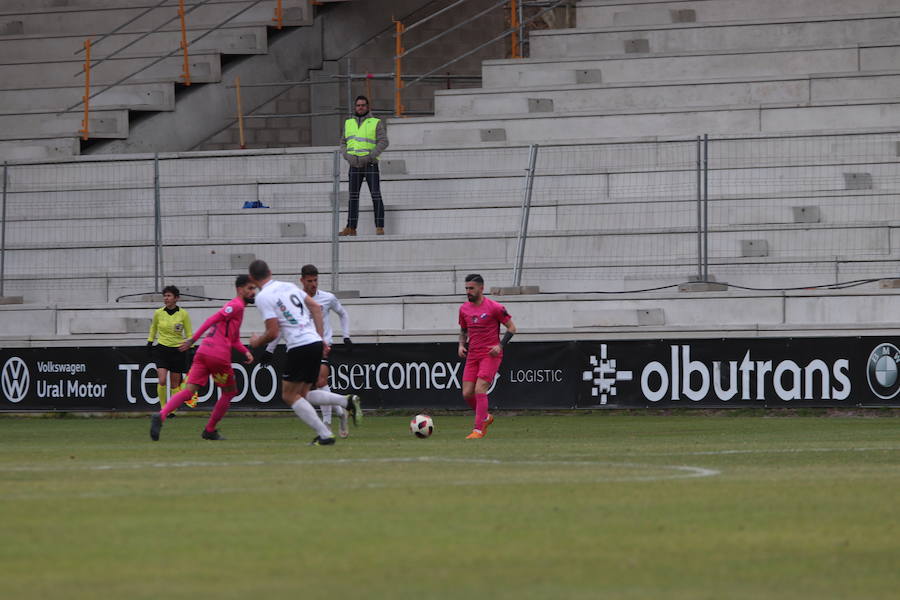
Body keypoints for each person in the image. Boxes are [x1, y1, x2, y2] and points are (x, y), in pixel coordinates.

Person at [247, 259, 362, 446]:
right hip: (315, 342)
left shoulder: (263, 296)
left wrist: (256, 342)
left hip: (298, 346)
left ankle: (325, 433)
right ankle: (345, 401)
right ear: (270, 271)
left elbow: (273, 331)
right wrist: (320, 338)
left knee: (289, 395)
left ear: (252, 278)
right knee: (304, 393)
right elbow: (316, 308)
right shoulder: (288, 286)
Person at [149, 275, 257, 442]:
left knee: (188, 391)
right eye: (250, 288)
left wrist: (245, 351)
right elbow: (211, 319)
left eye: (254, 289)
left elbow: (233, 338)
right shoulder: (235, 305)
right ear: (239, 289)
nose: (253, 292)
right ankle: (209, 430)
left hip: (204, 352)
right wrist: (192, 339)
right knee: (230, 392)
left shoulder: (238, 308)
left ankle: (161, 415)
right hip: (218, 355)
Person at [457, 274, 516, 439]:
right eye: (466, 288)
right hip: (472, 355)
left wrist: (500, 345)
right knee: (467, 394)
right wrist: (461, 345)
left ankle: (478, 429)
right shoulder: (464, 309)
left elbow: (511, 328)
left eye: (471, 288)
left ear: (481, 288)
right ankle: (485, 417)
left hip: (490, 354)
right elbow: (463, 330)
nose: (468, 291)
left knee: (479, 389)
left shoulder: (495, 307)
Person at [298, 264, 354, 437]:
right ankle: (340, 411)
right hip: (303, 347)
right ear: (302, 281)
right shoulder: (297, 299)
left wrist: (346, 336)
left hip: (323, 346)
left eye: (315, 280)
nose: (313, 284)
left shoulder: (327, 298)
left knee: (321, 381)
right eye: (310, 281)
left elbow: (343, 314)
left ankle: (327, 424)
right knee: (316, 387)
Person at [339, 95, 388, 236]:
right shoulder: (348, 123)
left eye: (363, 105)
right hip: (354, 165)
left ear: (368, 107)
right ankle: (351, 227)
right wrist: (347, 156)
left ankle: (379, 226)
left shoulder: (375, 122)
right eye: (358, 105)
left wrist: (370, 156)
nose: (360, 107)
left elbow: (383, 141)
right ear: (355, 107)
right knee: (353, 197)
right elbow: (343, 142)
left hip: (370, 164)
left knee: (375, 195)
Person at [147, 285, 196, 411]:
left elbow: (189, 333)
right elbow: (154, 328)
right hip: (162, 349)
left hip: (177, 351)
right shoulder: (158, 313)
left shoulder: (183, 314)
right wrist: (150, 341)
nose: (166, 298)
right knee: (162, 380)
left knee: (175, 384)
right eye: (165, 296)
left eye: (169, 296)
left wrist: (191, 346)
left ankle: (172, 409)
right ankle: (164, 408)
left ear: (176, 298)